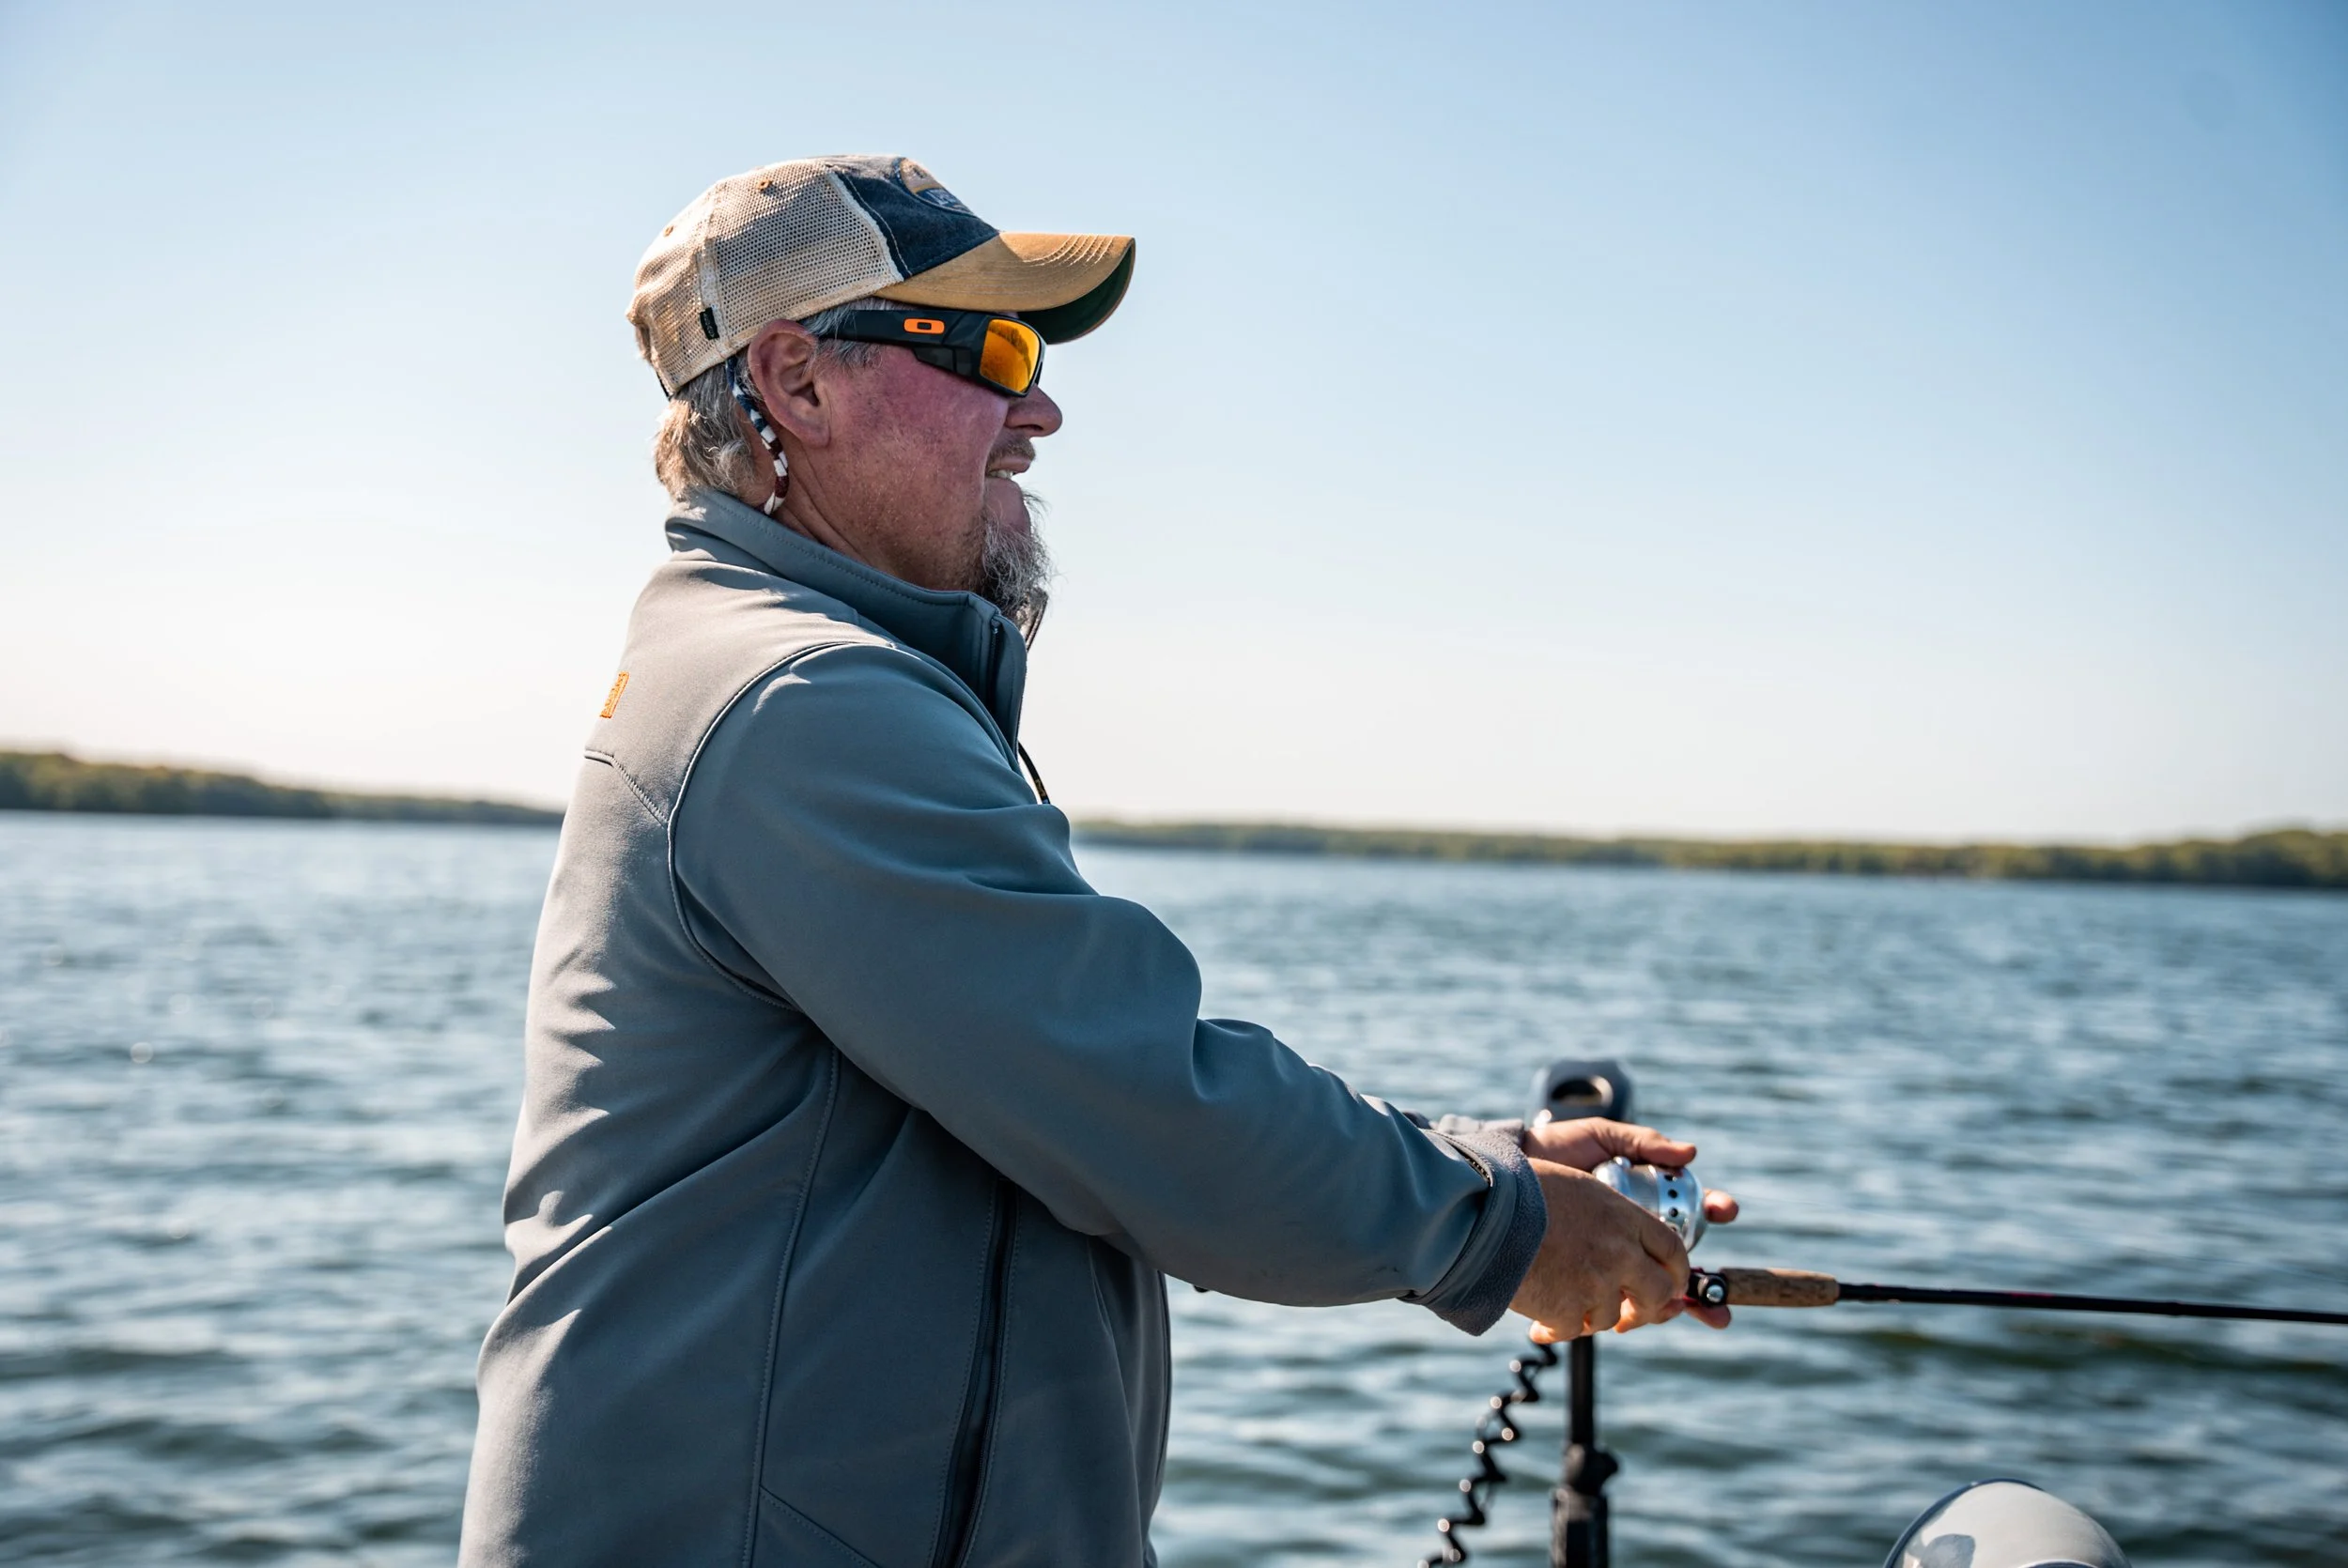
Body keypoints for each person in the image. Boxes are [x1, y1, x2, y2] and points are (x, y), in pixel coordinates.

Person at [457, 154, 1735, 1568]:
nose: (1041, 409)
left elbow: (1077, 1079)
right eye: (995, 351)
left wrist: (1483, 1167)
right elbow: (1146, 1105)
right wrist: (1502, 1225)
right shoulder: (803, 704)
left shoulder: (781, 674)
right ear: (797, 381)